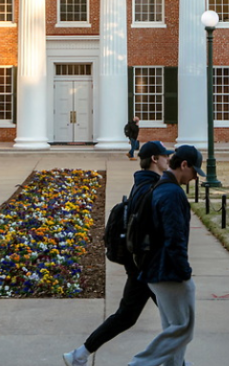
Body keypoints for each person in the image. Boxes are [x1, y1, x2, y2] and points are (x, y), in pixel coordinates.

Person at [62, 141, 170, 366]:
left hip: (141, 265)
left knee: (129, 317)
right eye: (164, 156)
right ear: (154, 159)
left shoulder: (142, 184)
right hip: (148, 266)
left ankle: (79, 354)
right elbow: (145, 230)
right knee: (176, 321)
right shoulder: (150, 188)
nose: (168, 160)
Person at [128, 144, 204, 366]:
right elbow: (174, 237)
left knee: (173, 328)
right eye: (194, 171)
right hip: (167, 270)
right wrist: (184, 271)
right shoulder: (171, 192)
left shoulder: (161, 187)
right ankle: (139, 364)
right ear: (183, 165)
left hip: (155, 268)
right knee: (183, 329)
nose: (195, 178)